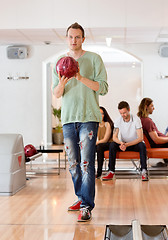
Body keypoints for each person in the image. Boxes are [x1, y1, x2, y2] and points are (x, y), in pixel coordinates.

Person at [52, 22, 108, 222]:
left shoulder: (94, 59)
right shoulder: (59, 63)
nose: (73, 40)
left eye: (77, 37)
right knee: (74, 164)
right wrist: (61, 83)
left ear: (83, 39)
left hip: (89, 119)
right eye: (70, 37)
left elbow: (103, 88)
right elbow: (57, 94)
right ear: (66, 38)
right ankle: (81, 197)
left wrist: (80, 77)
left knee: (86, 164)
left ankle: (86, 206)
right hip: (68, 120)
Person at [102, 101, 148, 181]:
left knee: (142, 145)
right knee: (112, 145)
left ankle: (144, 171)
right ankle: (111, 171)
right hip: (124, 144)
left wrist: (127, 145)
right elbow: (114, 137)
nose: (123, 115)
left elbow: (140, 138)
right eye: (121, 113)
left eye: (125, 113)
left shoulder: (136, 120)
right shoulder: (118, 120)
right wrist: (121, 143)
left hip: (134, 144)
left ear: (129, 110)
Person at [137, 97, 168, 166]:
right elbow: (156, 140)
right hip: (160, 144)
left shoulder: (141, 119)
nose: (153, 108)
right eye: (152, 106)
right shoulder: (147, 121)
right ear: (146, 107)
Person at [96, 106, 114, 179]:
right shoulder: (96, 125)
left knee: (99, 146)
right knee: (91, 147)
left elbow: (105, 140)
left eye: (102, 114)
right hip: (101, 144)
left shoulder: (107, 124)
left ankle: (99, 172)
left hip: (110, 144)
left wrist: (96, 143)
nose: (101, 116)